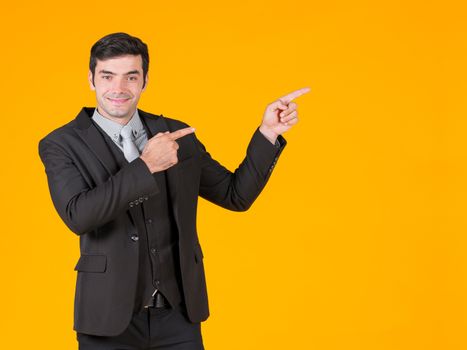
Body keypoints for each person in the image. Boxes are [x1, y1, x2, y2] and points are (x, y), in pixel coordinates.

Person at [38, 32, 309, 350]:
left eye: (131, 77)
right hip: (107, 320)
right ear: (91, 79)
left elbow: (235, 195)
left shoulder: (176, 134)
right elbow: (79, 215)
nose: (119, 89)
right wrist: (146, 165)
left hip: (178, 317)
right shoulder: (62, 143)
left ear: (145, 81)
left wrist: (267, 134)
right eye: (108, 76)